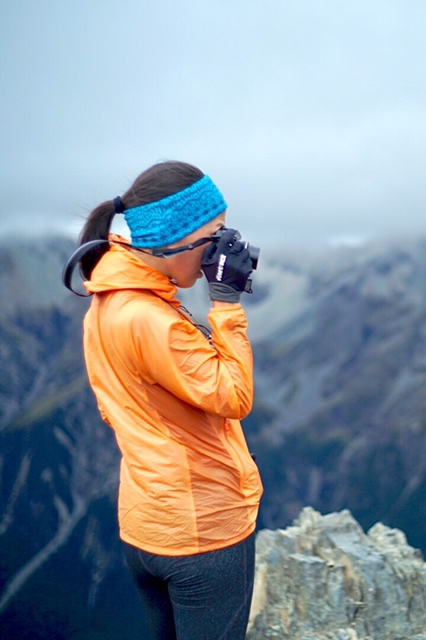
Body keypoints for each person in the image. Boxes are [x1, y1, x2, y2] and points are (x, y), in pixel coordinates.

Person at [74, 161, 263, 639]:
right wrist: (225, 303)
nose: (225, 250)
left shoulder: (109, 300)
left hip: (146, 526)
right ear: (175, 238)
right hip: (205, 535)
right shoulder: (151, 319)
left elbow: (113, 405)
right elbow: (235, 395)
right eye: (215, 236)